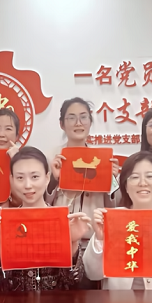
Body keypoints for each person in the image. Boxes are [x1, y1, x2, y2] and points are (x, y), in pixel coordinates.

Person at [0, 147, 90, 291]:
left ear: (47, 178)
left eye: (34, 177)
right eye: (20, 178)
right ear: (12, 180)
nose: (28, 185)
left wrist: (73, 242)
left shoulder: (62, 221)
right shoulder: (5, 223)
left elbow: (74, 280)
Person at [84, 152, 152, 289]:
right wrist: (100, 238)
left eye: (150, 176)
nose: (142, 183)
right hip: (119, 301)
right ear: (125, 187)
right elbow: (92, 274)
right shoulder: (111, 218)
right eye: (134, 177)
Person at [48, 98, 118, 240]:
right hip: (61, 235)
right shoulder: (51, 157)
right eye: (71, 118)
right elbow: (42, 202)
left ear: (90, 122)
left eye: (83, 117)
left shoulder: (102, 159)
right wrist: (54, 180)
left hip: (94, 236)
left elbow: (113, 206)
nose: (78, 123)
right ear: (62, 124)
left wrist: (112, 181)